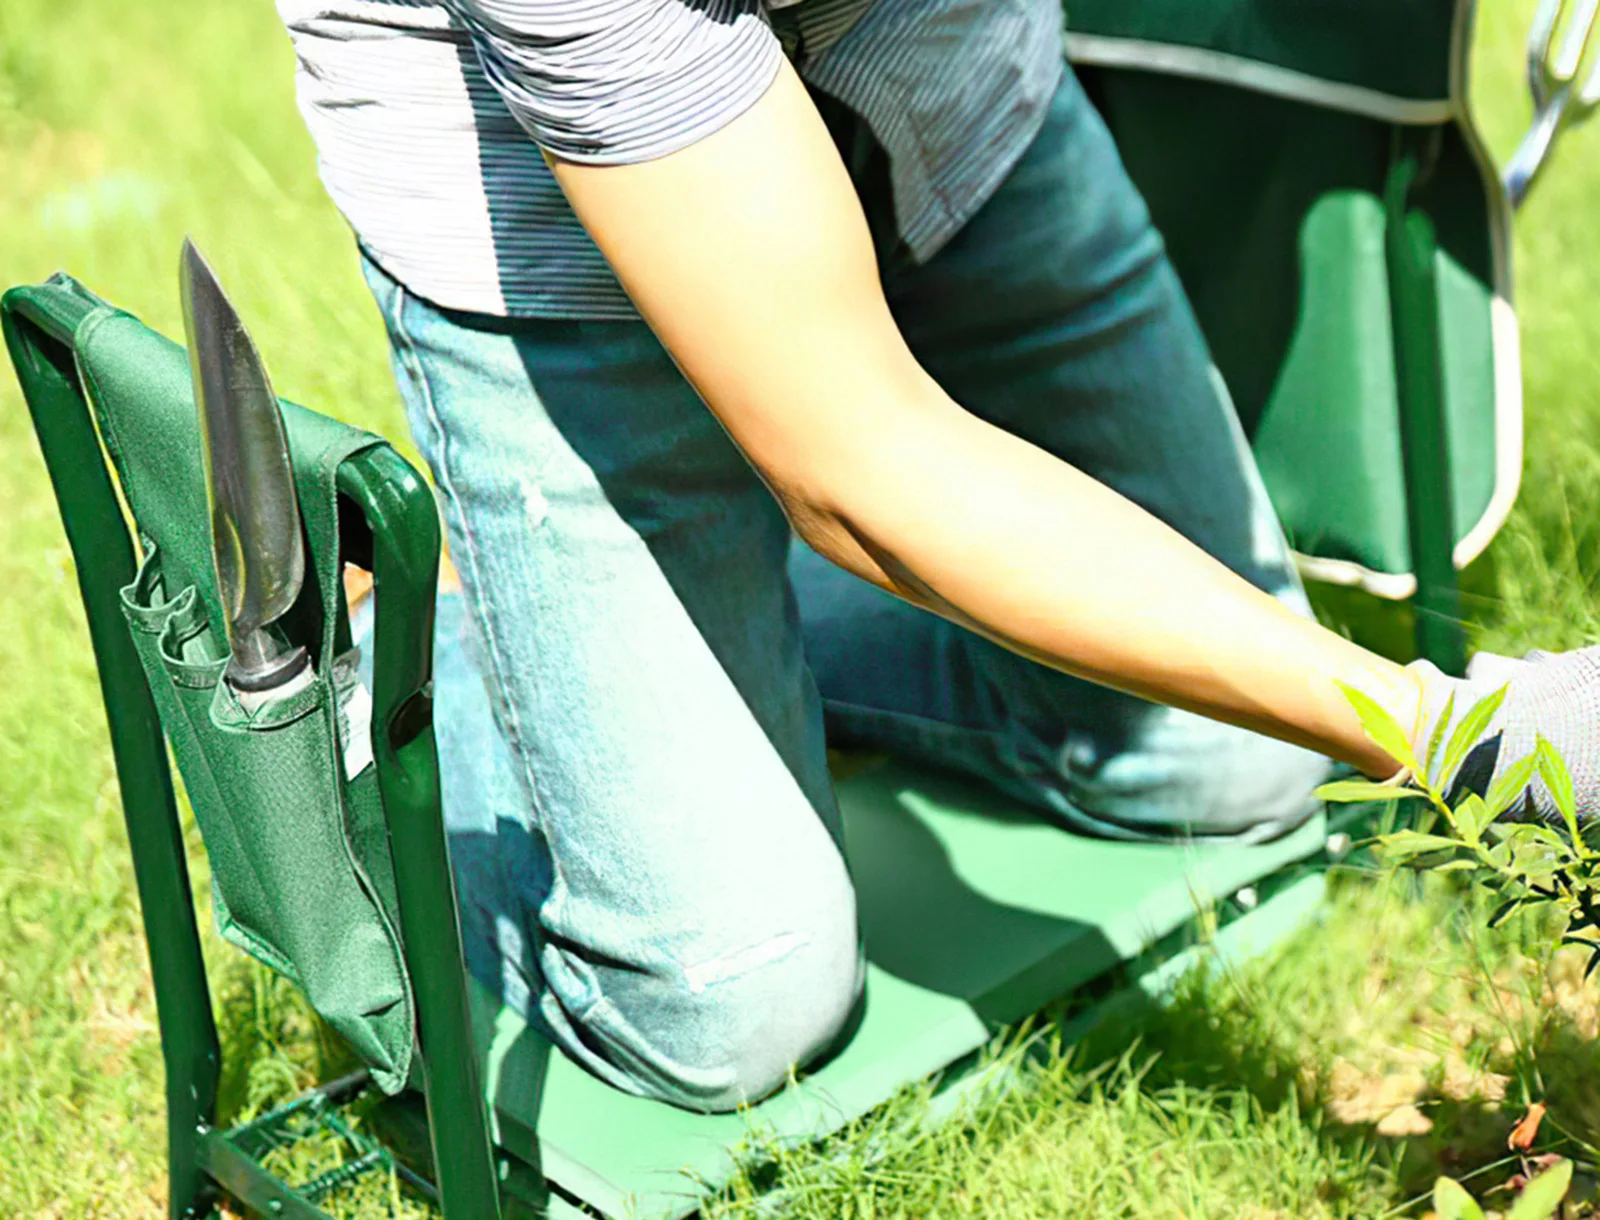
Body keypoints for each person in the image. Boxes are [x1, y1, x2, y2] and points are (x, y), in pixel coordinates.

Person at [277, 0, 1600, 1112]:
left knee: (1231, 759)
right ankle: (393, 655)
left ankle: (673, 611)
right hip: (556, 192)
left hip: (932, 63)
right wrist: (1458, 734)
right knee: (732, 1002)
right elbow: (859, 473)